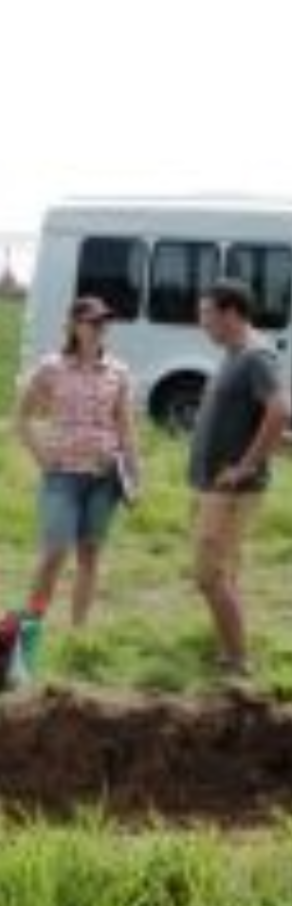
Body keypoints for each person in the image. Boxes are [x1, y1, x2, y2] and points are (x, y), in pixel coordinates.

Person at [16, 296, 138, 626]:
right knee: (55, 552)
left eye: (104, 322)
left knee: (90, 554)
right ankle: (31, 625)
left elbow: (126, 426)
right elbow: (22, 418)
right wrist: (42, 457)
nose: (100, 328)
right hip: (62, 477)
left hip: (105, 477)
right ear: (73, 326)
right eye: (93, 322)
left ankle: (78, 631)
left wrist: (133, 473)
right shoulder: (51, 367)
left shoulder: (119, 371)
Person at [189, 278, 290, 679]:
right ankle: (228, 652)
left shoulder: (254, 356)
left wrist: (246, 465)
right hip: (214, 487)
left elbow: (279, 410)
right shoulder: (234, 353)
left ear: (231, 313)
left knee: (208, 575)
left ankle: (238, 661)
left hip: (232, 490)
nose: (203, 324)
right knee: (224, 573)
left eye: (207, 315)